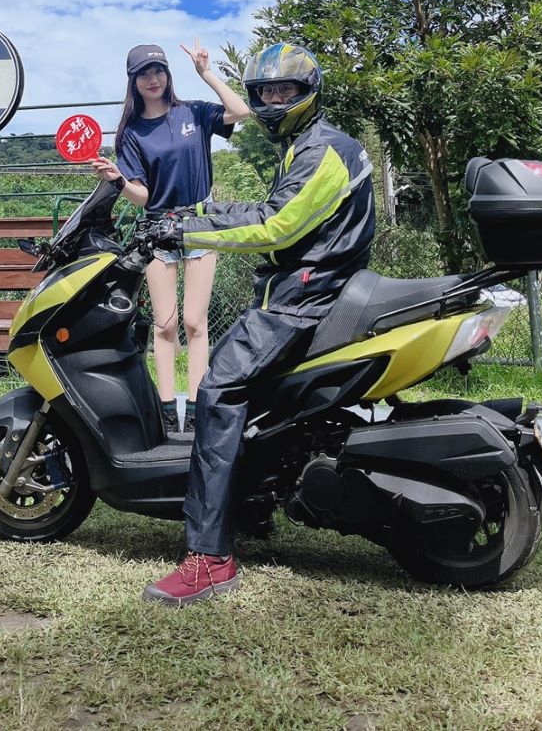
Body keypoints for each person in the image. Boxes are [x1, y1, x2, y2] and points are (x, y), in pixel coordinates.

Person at [139, 42, 376, 606]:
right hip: (308, 291)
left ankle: (209, 558)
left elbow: (276, 226)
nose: (272, 102)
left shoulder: (323, 151)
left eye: (283, 91)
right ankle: (251, 504)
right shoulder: (307, 146)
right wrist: (194, 212)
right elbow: (272, 210)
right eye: (265, 92)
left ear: (307, 94)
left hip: (303, 299)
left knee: (217, 389)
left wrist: (186, 231)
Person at [92, 41, 249, 434]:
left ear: (168, 74)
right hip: (156, 229)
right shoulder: (131, 133)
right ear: (133, 81)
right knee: (164, 325)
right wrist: (118, 179)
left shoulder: (192, 112)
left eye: (158, 70)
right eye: (144, 73)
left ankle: (196, 410)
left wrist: (206, 73)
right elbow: (142, 196)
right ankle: (165, 411)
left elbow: (240, 111)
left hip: (199, 225)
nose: (153, 79)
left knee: (195, 322)